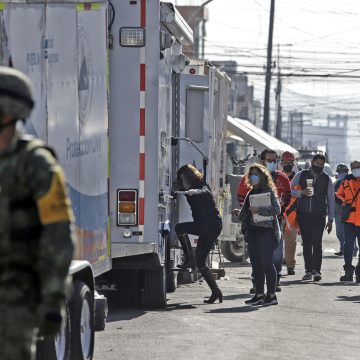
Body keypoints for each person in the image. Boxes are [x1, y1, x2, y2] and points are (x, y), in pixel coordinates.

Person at [0, 66, 75, 360]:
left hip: (15, 298)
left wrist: (53, 299)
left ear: (7, 112)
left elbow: (58, 236)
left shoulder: (37, 165)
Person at [238, 149, 290, 292]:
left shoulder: (278, 182)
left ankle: (272, 289)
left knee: (272, 259)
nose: (272, 163)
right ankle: (258, 290)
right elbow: (241, 200)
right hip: (253, 229)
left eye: (274, 160)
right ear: (262, 161)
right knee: (256, 262)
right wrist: (244, 212)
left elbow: (282, 204)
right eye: (269, 160)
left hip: (270, 227)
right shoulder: (250, 190)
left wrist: (262, 211)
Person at [175, 164, 223, 304]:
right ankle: (216, 292)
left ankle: (189, 257)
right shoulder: (187, 189)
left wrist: (195, 191)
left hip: (209, 224)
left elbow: (205, 191)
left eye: (182, 179)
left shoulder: (201, 185)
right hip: (209, 226)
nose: (181, 182)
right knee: (201, 261)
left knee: (179, 228)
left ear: (188, 177)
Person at [237, 164, 281, 306]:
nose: (253, 177)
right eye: (251, 175)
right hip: (253, 232)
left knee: (267, 263)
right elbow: (245, 211)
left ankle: (271, 295)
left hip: (267, 232)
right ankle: (259, 294)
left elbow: (277, 210)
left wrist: (260, 210)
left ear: (262, 176)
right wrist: (240, 213)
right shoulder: (251, 192)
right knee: (256, 265)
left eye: (256, 174)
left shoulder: (268, 191)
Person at [291, 154, 335, 281]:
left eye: (321, 165)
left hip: (319, 216)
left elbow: (331, 199)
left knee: (317, 243)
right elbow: (291, 190)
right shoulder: (301, 175)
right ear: (312, 163)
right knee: (307, 243)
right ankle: (308, 271)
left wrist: (331, 219)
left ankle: (316, 271)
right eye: (317, 164)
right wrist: (301, 193)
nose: (319, 167)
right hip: (303, 215)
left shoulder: (326, 179)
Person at [336, 161, 360, 282]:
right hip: (349, 220)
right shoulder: (346, 181)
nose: (356, 170)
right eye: (354, 168)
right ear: (351, 169)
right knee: (348, 246)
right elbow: (339, 194)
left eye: (358, 168)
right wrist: (344, 201)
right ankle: (348, 273)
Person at [280, 151, 298, 275]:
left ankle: (290, 265)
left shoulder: (298, 179)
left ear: (293, 163)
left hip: (292, 215)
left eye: (289, 162)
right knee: (276, 241)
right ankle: (276, 266)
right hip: (278, 213)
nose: (287, 164)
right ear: (281, 163)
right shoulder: (277, 177)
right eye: (285, 162)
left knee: (291, 241)